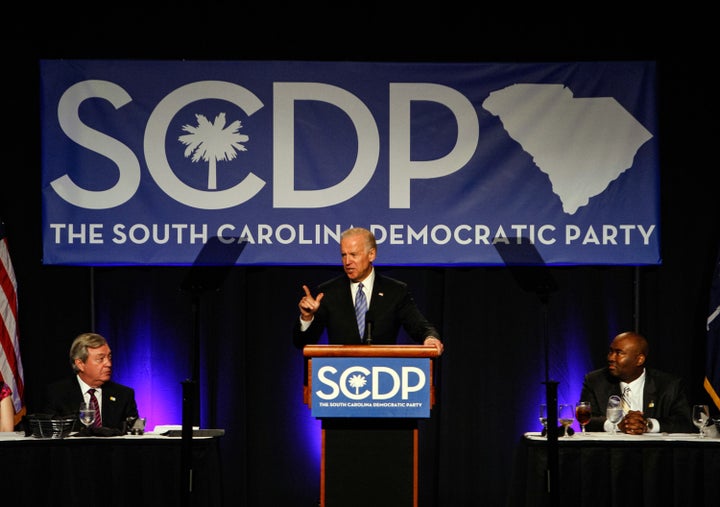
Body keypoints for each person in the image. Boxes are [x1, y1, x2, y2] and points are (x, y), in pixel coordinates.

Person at [293, 227, 444, 354]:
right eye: (343, 255)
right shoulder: (328, 292)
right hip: (340, 377)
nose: (347, 262)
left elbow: (419, 326)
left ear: (371, 254)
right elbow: (302, 343)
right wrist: (306, 318)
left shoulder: (395, 291)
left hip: (384, 375)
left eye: (353, 255)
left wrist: (430, 338)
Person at [580, 331, 694, 434]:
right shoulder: (595, 381)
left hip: (654, 454)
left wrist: (647, 425)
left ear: (639, 360)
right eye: (611, 351)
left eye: (619, 353)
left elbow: (684, 422)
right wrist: (618, 425)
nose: (611, 358)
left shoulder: (668, 384)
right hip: (610, 454)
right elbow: (586, 420)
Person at [43, 332, 139, 432]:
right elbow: (50, 433)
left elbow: (133, 432)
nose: (109, 364)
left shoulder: (123, 395)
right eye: (101, 359)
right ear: (80, 364)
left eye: (109, 357)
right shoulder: (57, 393)